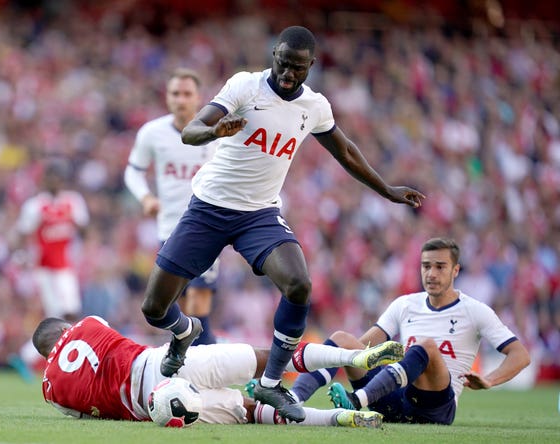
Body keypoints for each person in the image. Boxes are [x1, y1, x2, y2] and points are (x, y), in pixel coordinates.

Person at [139, 25, 425, 422]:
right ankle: (185, 332)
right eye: (283, 64)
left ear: (311, 65)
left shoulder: (315, 106)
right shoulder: (245, 87)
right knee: (154, 308)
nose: (289, 74)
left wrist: (386, 189)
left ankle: (271, 384)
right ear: (273, 55)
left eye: (298, 68)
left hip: (259, 215)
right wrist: (214, 131)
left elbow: (346, 152)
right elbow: (191, 131)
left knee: (299, 285)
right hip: (209, 208)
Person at [290, 237, 531, 425]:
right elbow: (361, 349)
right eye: (426, 266)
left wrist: (489, 380)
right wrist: (344, 357)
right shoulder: (405, 304)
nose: (431, 273)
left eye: (440, 267)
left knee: (425, 347)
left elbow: (520, 355)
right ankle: (291, 400)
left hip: (435, 408)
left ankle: (355, 401)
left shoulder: (475, 310)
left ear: (455, 271)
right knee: (342, 340)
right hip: (393, 400)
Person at [32, 315, 406, 427]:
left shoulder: (51, 392)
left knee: (250, 412)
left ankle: (341, 418)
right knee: (268, 357)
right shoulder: (88, 323)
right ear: (66, 330)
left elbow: (87, 413)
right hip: (164, 360)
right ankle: (352, 359)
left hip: (153, 404)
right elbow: (109, 340)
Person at [124, 68, 218, 345]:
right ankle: (198, 361)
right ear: (167, 97)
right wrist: (145, 197)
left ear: (198, 98)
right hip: (170, 228)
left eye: (187, 94)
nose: (181, 100)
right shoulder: (153, 133)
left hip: (209, 226)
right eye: (175, 93)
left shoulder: (215, 134)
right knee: (175, 304)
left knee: (199, 300)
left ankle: (203, 366)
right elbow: (133, 171)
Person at [11, 160, 90, 380]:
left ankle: (26, 356)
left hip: (65, 266)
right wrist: (20, 255)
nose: (56, 182)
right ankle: (55, 361)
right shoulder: (36, 205)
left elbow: (84, 228)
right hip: (45, 269)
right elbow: (21, 232)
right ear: (45, 179)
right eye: (52, 177)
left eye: (59, 178)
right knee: (61, 315)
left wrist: (83, 234)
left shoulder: (73, 202)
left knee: (66, 313)